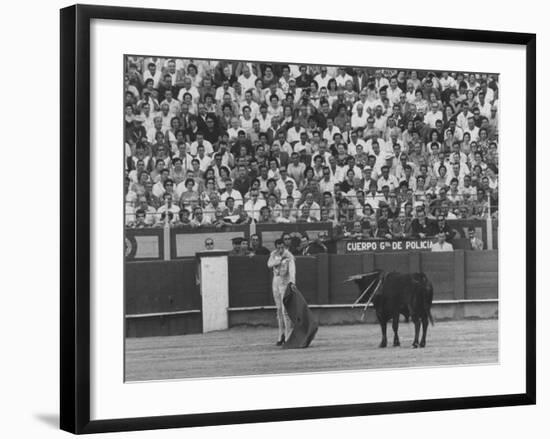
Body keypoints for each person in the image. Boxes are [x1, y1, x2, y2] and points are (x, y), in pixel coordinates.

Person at [267, 238, 296, 345]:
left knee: (285, 311)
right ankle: (280, 335)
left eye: (282, 247)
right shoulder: (273, 254)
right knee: (279, 310)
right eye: (278, 247)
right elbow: (269, 264)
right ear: (276, 247)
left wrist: (292, 283)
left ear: (285, 246)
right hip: (276, 282)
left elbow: (292, 271)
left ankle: (288, 336)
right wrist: (279, 260)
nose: (280, 249)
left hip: (285, 283)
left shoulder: (289, 256)